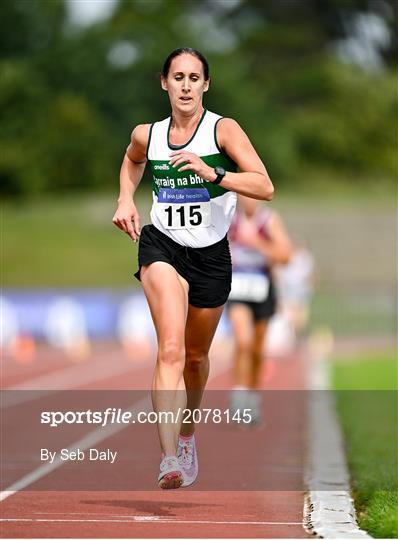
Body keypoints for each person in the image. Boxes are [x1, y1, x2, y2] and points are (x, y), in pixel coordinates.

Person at [112, 47, 274, 489]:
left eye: (194, 78)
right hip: (162, 244)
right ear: (163, 82)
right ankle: (169, 460)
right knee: (169, 349)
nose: (185, 85)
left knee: (196, 357)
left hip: (211, 256)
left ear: (206, 84)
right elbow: (132, 161)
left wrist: (212, 173)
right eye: (177, 77)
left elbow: (264, 186)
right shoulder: (149, 134)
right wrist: (126, 198)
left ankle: (186, 436)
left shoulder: (223, 130)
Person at [227, 195, 292, 426]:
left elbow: (286, 256)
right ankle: (239, 396)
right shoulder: (230, 219)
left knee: (257, 348)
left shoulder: (269, 220)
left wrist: (257, 243)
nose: (248, 200)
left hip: (263, 288)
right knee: (243, 341)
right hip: (238, 289)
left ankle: (253, 398)